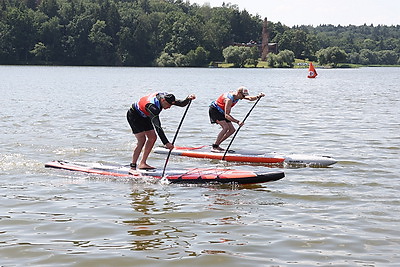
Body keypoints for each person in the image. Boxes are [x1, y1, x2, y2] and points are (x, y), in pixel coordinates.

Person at [127, 92, 196, 172]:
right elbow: (158, 127)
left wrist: (188, 98)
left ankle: (142, 163)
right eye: (168, 105)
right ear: (163, 100)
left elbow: (181, 103)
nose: (169, 107)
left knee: (152, 138)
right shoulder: (153, 108)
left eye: (171, 105)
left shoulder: (167, 97)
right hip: (134, 115)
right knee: (142, 140)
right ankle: (133, 165)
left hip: (145, 115)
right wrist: (166, 143)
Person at [209, 86, 265, 152]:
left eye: (245, 95)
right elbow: (227, 115)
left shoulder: (238, 96)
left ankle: (216, 145)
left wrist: (258, 96)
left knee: (232, 130)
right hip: (215, 110)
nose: (243, 97)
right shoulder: (229, 99)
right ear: (239, 93)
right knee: (225, 127)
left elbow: (250, 98)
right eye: (243, 95)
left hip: (222, 111)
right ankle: (214, 147)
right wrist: (237, 122)